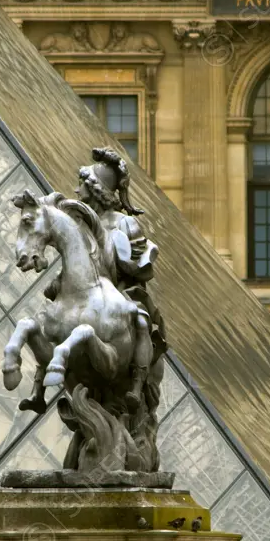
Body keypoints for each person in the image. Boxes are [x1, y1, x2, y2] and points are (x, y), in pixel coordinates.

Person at [44, 146, 165, 409]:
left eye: (82, 185)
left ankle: (138, 381)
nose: (77, 191)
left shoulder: (125, 224)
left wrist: (128, 263)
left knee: (142, 321)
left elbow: (144, 266)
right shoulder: (80, 224)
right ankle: (40, 378)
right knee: (53, 318)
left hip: (122, 293)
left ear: (96, 188)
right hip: (88, 294)